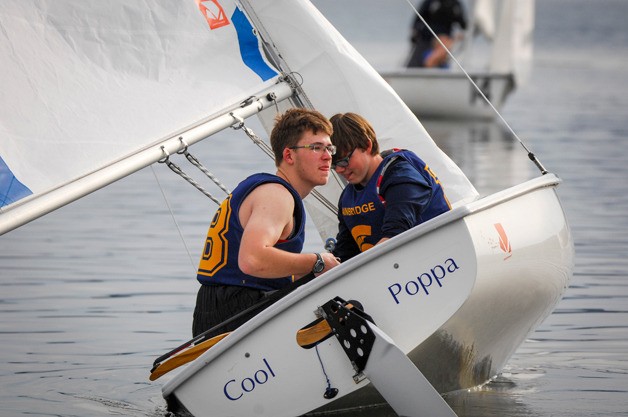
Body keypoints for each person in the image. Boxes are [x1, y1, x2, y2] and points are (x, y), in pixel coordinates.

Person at [192, 108, 341, 337]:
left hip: (218, 308)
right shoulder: (276, 195)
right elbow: (252, 261)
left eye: (329, 148)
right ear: (289, 156)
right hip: (236, 310)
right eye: (316, 147)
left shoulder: (268, 190)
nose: (327, 155)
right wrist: (318, 262)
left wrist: (309, 271)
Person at [329, 112, 451, 262]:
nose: (340, 170)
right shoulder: (347, 198)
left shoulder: (402, 175)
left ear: (367, 145)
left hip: (438, 261)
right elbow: (344, 254)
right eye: (334, 165)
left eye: (344, 161)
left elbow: (396, 233)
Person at [407, 0, 467, 68]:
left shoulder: (455, 5)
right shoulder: (430, 2)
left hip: (444, 40)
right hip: (426, 39)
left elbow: (463, 24)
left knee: (443, 49)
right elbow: (417, 20)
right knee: (414, 65)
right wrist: (415, 34)